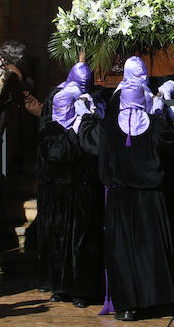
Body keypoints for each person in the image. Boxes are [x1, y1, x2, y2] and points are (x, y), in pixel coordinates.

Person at [77, 77, 174, 322]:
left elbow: (91, 145)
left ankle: (127, 305)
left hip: (121, 199)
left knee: (122, 252)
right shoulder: (155, 125)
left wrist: (87, 116)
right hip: (149, 199)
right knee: (149, 251)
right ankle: (150, 300)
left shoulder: (109, 125)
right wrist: (160, 112)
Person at [36, 83, 103, 308]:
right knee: (58, 243)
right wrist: (75, 131)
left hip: (81, 193)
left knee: (82, 243)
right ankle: (59, 287)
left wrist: (83, 123)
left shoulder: (83, 125)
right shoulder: (49, 128)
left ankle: (81, 291)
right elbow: (59, 153)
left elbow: (91, 151)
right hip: (57, 195)